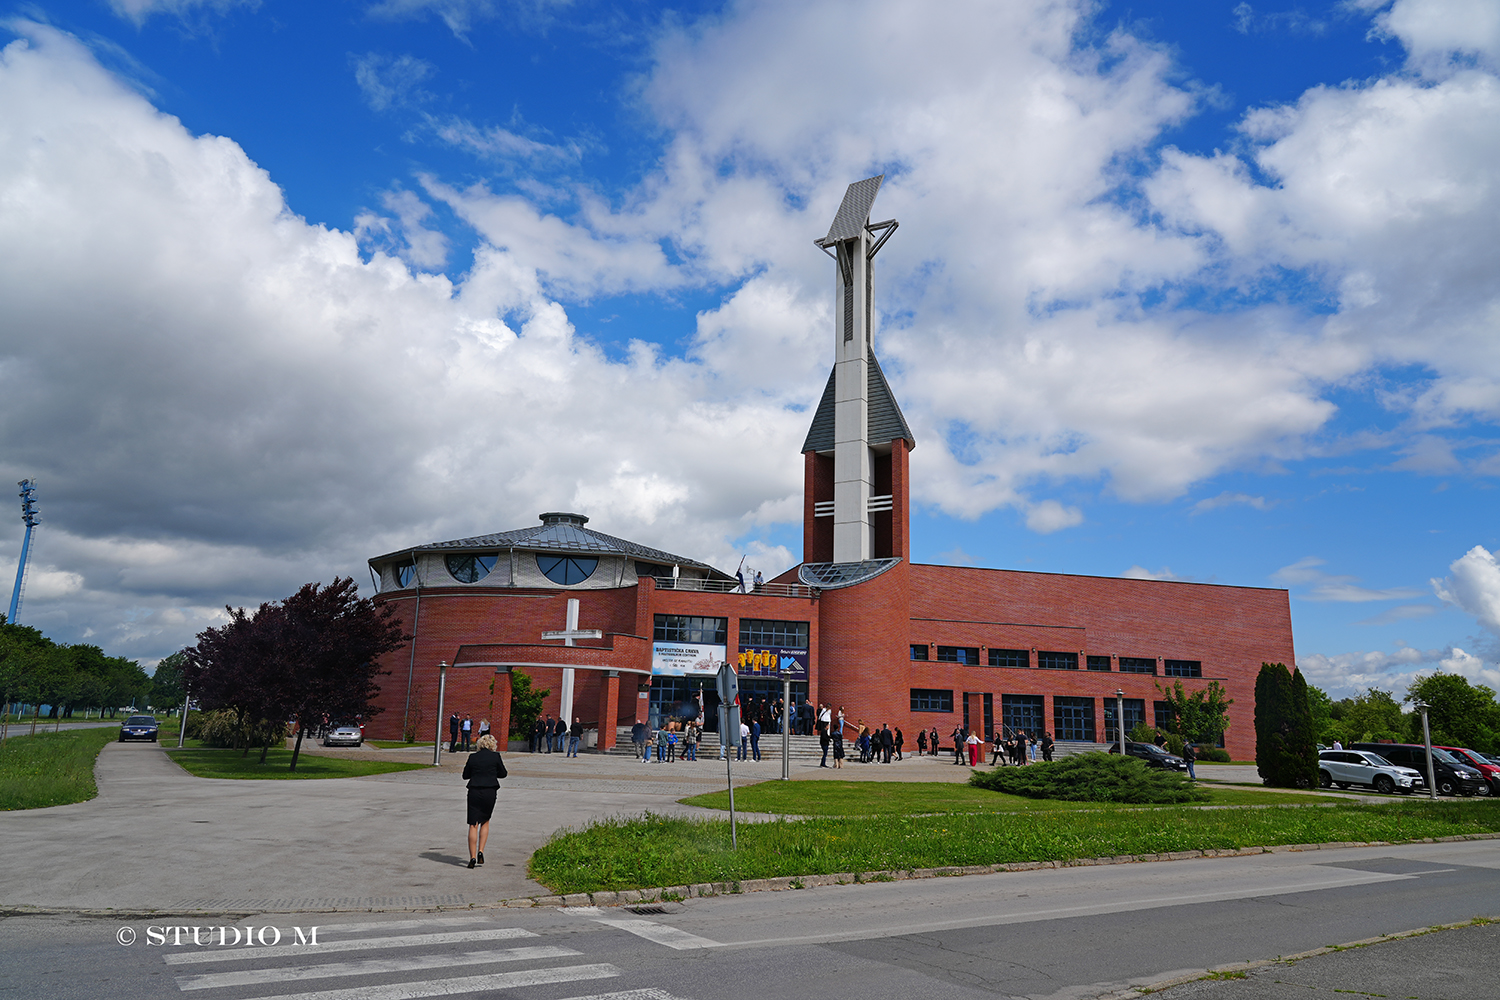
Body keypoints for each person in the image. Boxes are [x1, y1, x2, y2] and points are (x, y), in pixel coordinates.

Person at [461, 733, 506, 869]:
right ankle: (481, 851)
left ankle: (472, 857)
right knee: (485, 821)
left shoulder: (473, 757)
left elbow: (465, 775)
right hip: (490, 792)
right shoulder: (495, 757)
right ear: (493, 745)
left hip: (474, 791)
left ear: (479, 744)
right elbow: (503, 773)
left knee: (473, 824)